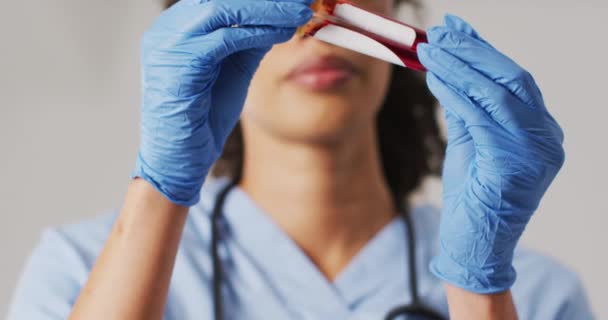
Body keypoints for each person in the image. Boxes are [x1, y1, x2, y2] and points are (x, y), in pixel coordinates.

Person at [7, 0, 594, 319]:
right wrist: (160, 189)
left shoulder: (538, 295)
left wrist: (478, 292)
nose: (318, 23)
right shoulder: (79, 269)